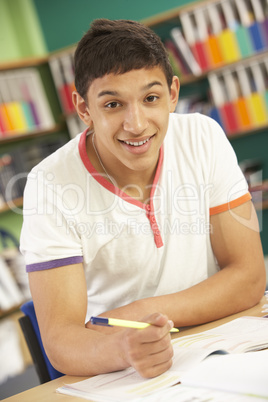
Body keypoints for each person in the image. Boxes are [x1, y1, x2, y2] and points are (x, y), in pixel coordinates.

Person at [20, 18, 266, 379]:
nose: (136, 124)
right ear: (84, 108)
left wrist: (135, 314)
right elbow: (60, 341)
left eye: (151, 98)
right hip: (125, 367)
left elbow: (248, 278)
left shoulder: (203, 137)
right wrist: (121, 347)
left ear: (173, 93)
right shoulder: (49, 183)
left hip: (221, 343)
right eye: (113, 104)